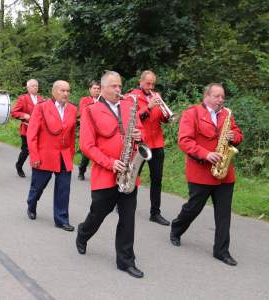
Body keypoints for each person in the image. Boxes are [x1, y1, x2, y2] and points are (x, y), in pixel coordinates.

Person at [76, 71, 145, 278]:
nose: (118, 90)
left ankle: (126, 261)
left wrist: (139, 135)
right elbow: (86, 146)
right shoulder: (91, 110)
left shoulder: (129, 106)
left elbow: (141, 132)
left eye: (120, 86)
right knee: (98, 214)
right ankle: (83, 233)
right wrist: (110, 163)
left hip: (129, 173)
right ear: (103, 88)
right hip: (105, 174)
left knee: (127, 218)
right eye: (114, 86)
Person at [170, 83, 243, 266]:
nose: (221, 100)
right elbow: (184, 141)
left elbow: (238, 134)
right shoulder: (192, 113)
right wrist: (206, 154)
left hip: (224, 172)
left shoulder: (227, 114)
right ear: (207, 96)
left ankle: (221, 251)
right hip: (201, 172)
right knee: (193, 208)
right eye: (217, 96)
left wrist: (235, 136)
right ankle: (176, 228)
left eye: (222, 97)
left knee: (224, 214)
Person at [25, 80, 77, 232]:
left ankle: (61, 219)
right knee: (38, 186)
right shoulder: (41, 108)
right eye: (62, 91)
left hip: (64, 155)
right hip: (44, 155)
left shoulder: (73, 109)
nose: (66, 94)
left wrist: (71, 154)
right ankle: (31, 204)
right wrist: (34, 156)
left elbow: (72, 135)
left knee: (64, 189)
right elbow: (32, 134)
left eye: (68, 91)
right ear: (54, 92)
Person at [128, 70, 172, 225]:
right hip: (141, 142)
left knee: (157, 179)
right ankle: (126, 206)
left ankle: (155, 213)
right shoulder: (132, 96)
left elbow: (162, 118)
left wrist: (167, 115)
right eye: (148, 83)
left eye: (153, 83)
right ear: (141, 82)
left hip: (157, 143)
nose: (151, 86)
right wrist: (149, 107)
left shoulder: (156, 96)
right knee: (133, 176)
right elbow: (132, 117)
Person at [11, 79, 44, 178]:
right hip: (26, 129)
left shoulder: (41, 99)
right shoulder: (23, 98)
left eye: (36, 86)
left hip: (39, 130)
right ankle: (19, 166)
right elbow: (14, 112)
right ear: (28, 88)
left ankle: (36, 168)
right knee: (26, 150)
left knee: (38, 150)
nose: (35, 87)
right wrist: (23, 115)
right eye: (33, 86)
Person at [78, 80, 101, 180]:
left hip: (100, 131)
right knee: (87, 153)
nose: (96, 90)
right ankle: (81, 171)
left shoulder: (103, 100)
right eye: (94, 88)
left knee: (99, 152)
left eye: (98, 89)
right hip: (88, 131)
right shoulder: (85, 100)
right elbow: (83, 112)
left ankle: (98, 174)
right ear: (90, 89)